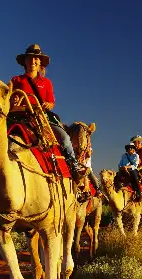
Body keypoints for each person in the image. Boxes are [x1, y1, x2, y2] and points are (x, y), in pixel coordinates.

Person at [9, 44, 89, 182]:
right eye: (30, 58)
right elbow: (7, 97)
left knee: (64, 138)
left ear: (40, 63)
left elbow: (51, 102)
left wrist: (48, 105)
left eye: (36, 59)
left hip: (41, 117)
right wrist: (12, 101)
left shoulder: (46, 82)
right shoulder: (16, 80)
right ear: (25, 61)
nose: (33, 61)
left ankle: (74, 168)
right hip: (19, 116)